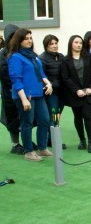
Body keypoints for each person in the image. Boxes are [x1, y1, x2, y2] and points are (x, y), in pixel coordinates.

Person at [8, 28, 53, 161]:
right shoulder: (15, 57)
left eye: (30, 38)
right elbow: (16, 79)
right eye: (26, 38)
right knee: (27, 123)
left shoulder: (33, 56)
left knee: (45, 120)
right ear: (19, 40)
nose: (29, 40)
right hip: (25, 96)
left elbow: (41, 74)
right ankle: (28, 151)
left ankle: (42, 147)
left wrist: (48, 83)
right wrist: (24, 100)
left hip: (38, 93)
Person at [61, 35, 91, 153]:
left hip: (89, 93)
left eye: (81, 43)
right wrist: (76, 90)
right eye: (76, 42)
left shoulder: (88, 57)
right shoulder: (65, 60)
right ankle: (82, 140)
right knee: (78, 117)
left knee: (87, 116)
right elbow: (65, 78)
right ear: (71, 44)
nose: (79, 45)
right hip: (74, 94)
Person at [39, 34, 66, 149]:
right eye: (51, 44)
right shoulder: (42, 58)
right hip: (51, 93)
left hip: (62, 92)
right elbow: (41, 76)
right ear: (46, 46)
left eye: (56, 43)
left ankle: (52, 139)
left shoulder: (61, 56)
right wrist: (50, 85)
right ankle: (53, 141)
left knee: (57, 115)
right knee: (53, 116)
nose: (55, 46)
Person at [0, 24, 23, 155]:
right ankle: (15, 143)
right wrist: (15, 87)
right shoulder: (3, 53)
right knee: (12, 117)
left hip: (23, 90)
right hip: (10, 92)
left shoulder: (21, 51)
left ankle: (25, 140)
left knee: (25, 117)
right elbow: (4, 73)